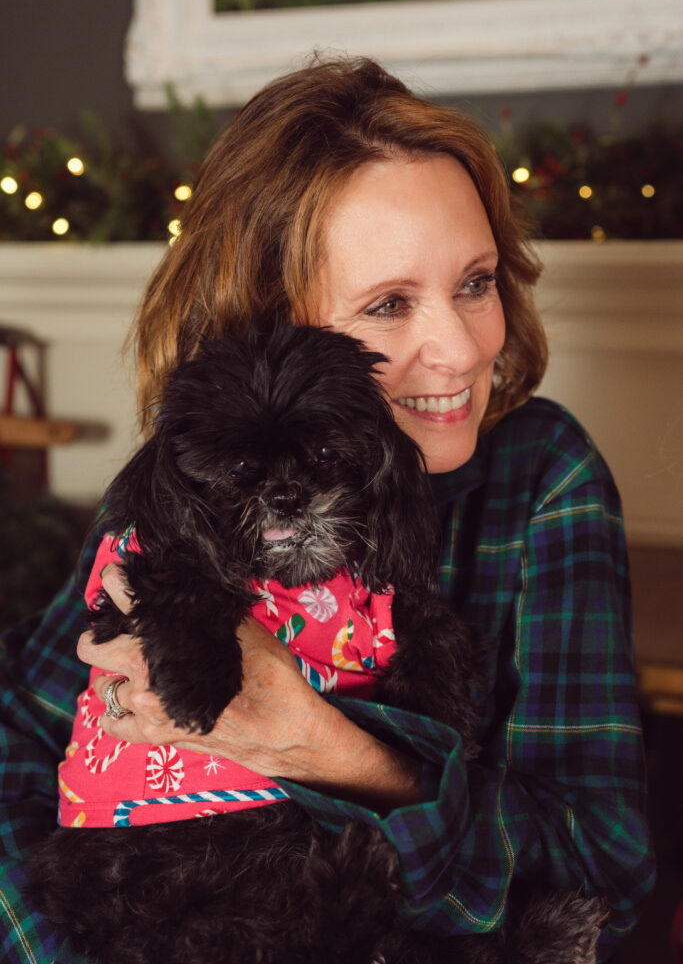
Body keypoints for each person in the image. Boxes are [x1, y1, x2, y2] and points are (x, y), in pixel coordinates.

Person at [0, 56, 654, 962]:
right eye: (388, 305)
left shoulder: (544, 478)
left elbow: (602, 870)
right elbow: (18, 728)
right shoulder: (186, 486)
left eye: (475, 281)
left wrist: (327, 750)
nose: (461, 349)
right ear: (273, 322)